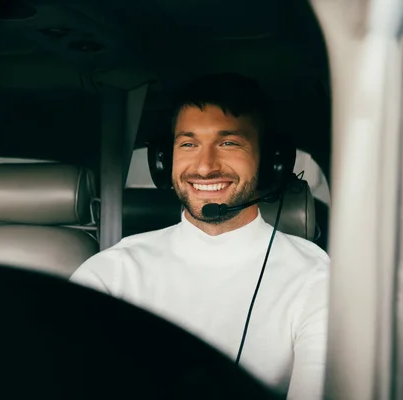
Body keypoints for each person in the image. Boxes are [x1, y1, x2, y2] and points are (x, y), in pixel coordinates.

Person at [70, 73, 330, 399]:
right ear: (166, 162)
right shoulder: (110, 273)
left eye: (229, 143)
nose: (205, 167)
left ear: (269, 163)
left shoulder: (315, 278)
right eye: (189, 144)